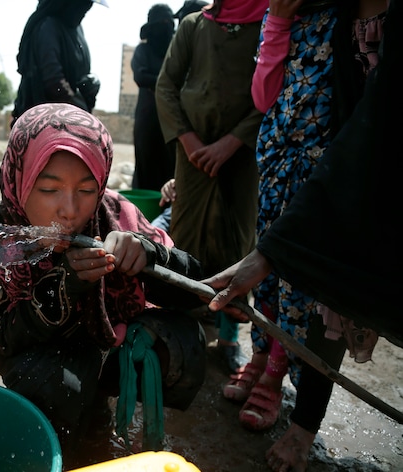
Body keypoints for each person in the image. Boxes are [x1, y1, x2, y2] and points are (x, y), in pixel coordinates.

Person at [202, 1, 399, 469]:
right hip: (284, 167)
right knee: (270, 278)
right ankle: (265, 358)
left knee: (313, 293)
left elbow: (365, 125)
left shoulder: (340, 20)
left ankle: (277, 376)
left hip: (335, 172)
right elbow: (265, 96)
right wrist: (280, 21)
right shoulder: (324, 20)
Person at [0, 102, 207, 468]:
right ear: (20, 179)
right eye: (49, 189)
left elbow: (197, 293)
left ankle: (98, 403)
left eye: (86, 189)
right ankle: (50, 426)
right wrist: (61, 286)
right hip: (42, 356)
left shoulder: (115, 214)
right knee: (56, 386)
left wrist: (148, 256)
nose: (69, 210)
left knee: (183, 340)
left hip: (105, 346)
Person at [154, 0, 268, 374]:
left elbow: (270, 92)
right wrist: (188, 141)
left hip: (241, 156)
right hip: (193, 156)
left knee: (237, 242)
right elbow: (166, 85)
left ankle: (230, 337)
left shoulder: (270, 24)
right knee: (184, 237)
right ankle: (178, 330)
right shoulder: (192, 26)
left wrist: (231, 143)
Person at [10, 0, 106, 126]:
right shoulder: (48, 27)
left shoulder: (76, 30)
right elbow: (53, 80)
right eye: (83, 5)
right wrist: (77, 108)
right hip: (43, 123)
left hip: (69, 116)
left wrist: (90, 84)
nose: (86, 10)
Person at [130, 4, 176, 191]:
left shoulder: (175, 49)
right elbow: (141, 77)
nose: (165, 28)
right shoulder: (143, 51)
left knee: (170, 168)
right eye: (161, 23)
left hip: (171, 118)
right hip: (148, 117)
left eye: (169, 23)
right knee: (146, 164)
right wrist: (167, 82)